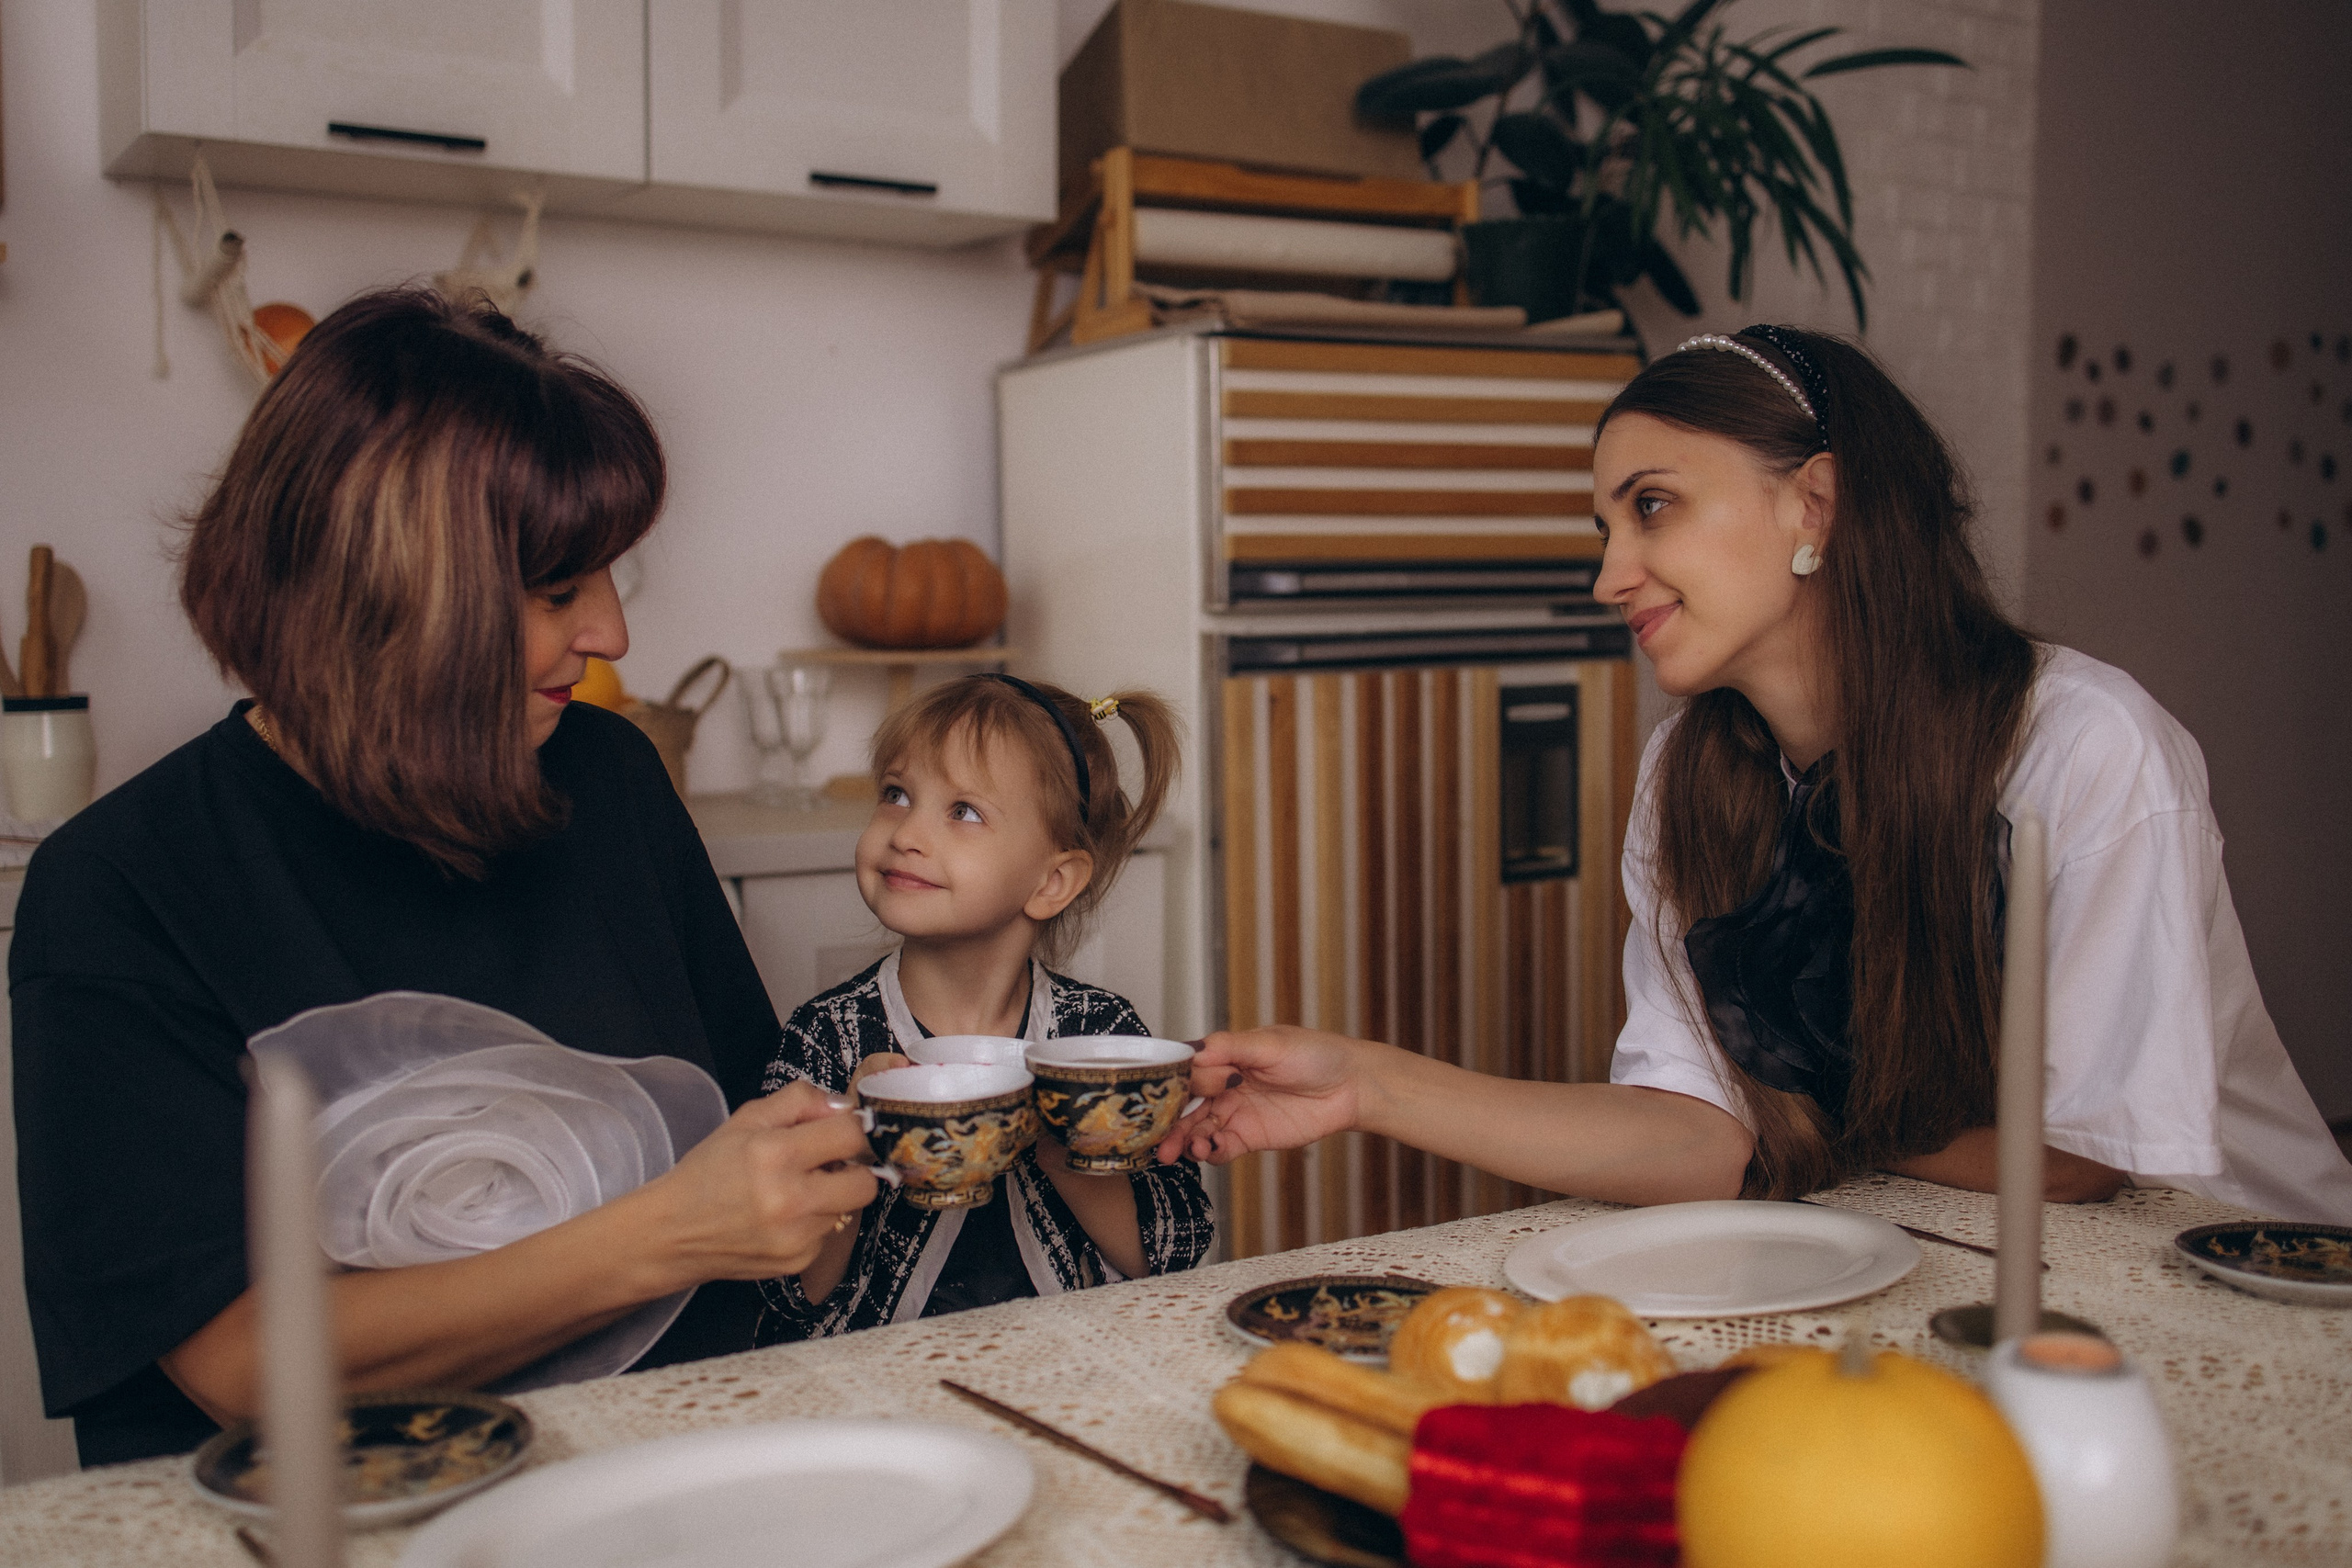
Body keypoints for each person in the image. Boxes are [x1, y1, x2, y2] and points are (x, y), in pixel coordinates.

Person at [1159, 325, 2352, 1225]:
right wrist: (1365, 1082)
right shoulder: (1690, 776)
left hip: (2243, 1278)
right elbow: (1692, 1133)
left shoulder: (2084, 745)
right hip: (1938, 1252)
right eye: (1605, 527)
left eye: (1654, 508)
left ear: (1814, 506)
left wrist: (1787, 1111)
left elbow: (2084, 1159)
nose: (1611, 574)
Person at [10, 289, 877, 1467]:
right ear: (386, 592)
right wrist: (671, 1234)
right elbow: (238, 1367)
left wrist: (856, 1137)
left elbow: (748, 1169)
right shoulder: (120, 886)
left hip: (678, 1479)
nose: (615, 633)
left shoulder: (610, 777)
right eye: (560, 588)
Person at [759, 675, 1215, 1336]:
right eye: (896, 794)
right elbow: (787, 1291)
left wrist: (1066, 1138)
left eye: (963, 810)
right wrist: (849, 1142)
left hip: (1071, 1370)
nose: (907, 831)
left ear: (1052, 880)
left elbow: (1175, 1251)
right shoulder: (827, 1036)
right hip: (879, 1392)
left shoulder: (1101, 1036)